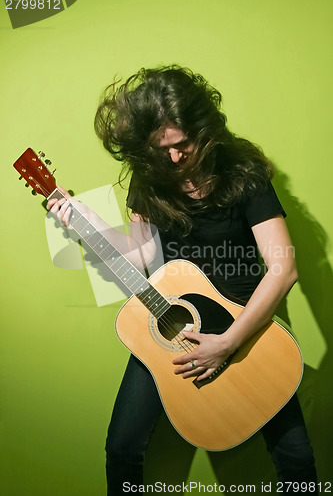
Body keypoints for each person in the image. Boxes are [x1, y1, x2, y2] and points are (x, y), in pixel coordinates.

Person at [47, 65, 318, 494]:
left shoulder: (243, 170)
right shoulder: (150, 179)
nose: (173, 158)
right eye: (161, 149)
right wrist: (87, 224)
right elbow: (140, 257)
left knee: (296, 456)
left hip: (245, 332)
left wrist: (227, 343)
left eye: (182, 144)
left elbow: (284, 269)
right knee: (121, 447)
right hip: (173, 328)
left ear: (202, 128)